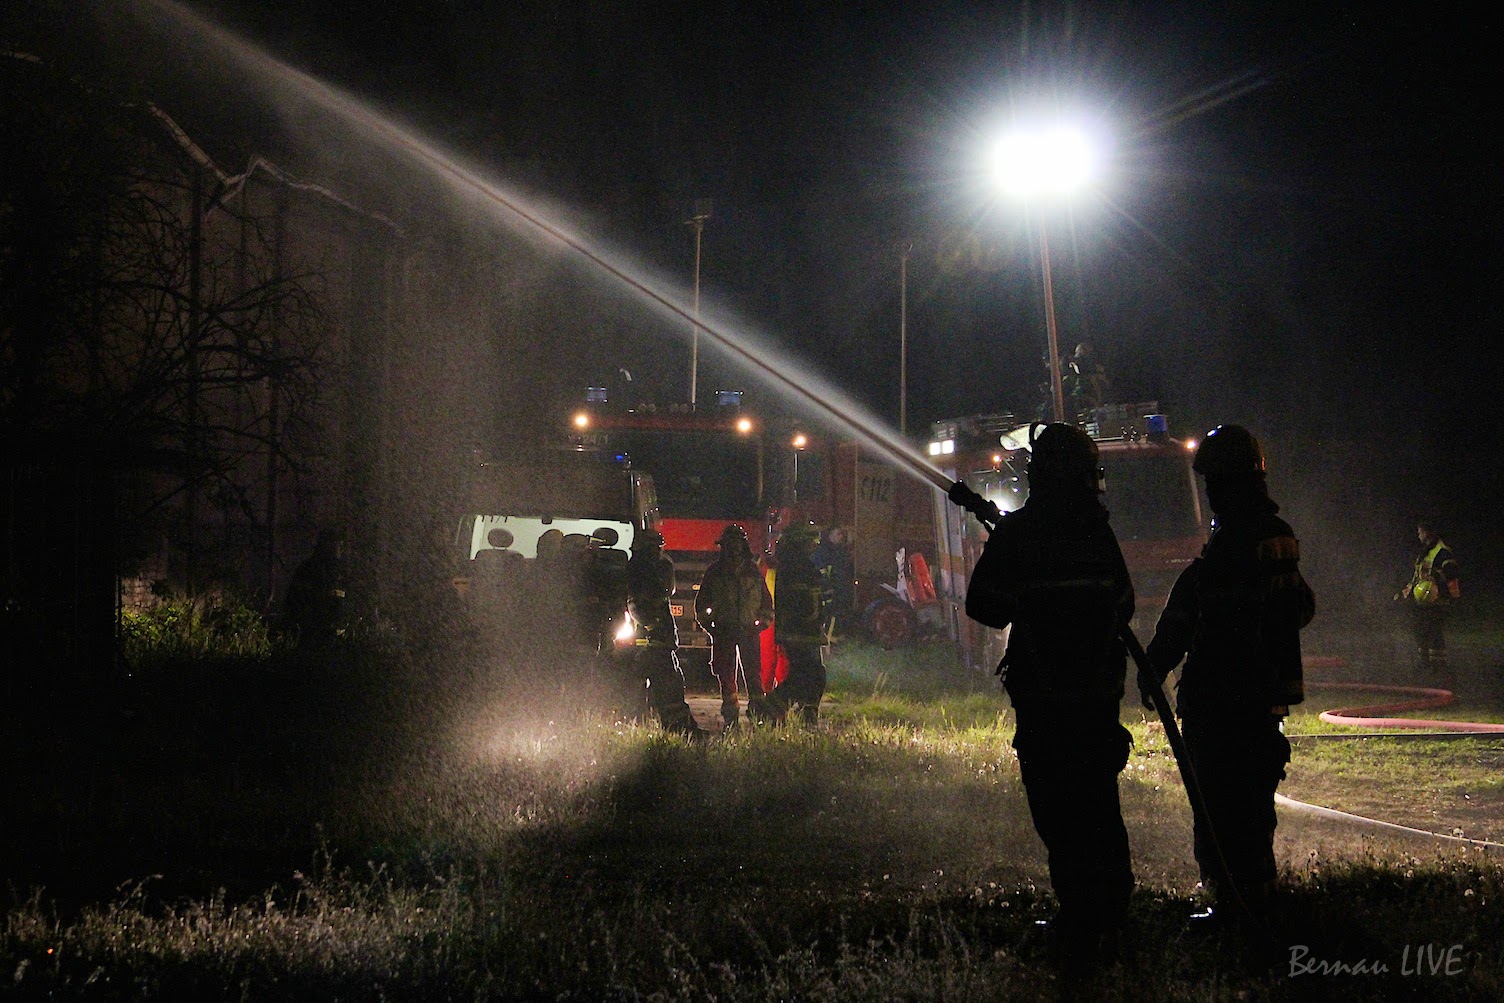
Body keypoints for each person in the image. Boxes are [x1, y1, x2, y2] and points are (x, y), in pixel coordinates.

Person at [963, 423, 1135, 967]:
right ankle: (1111, 916)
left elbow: (984, 607)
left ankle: (1081, 918)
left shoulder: (1022, 533)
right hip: (1098, 698)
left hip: (1045, 700)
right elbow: (1125, 604)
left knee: (1058, 810)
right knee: (1099, 803)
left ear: (1039, 473)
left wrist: (1008, 555)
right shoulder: (1098, 533)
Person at [1143, 424, 1315, 929]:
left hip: (1225, 700)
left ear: (1233, 482)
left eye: (1214, 483)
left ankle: (1235, 911)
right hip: (1256, 699)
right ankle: (1252, 902)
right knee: (1247, 807)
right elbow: (1300, 606)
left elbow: (1203, 611)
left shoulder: (1240, 542)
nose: (1210, 494)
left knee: (1223, 807)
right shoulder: (1269, 535)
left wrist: (1160, 662)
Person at [695, 524, 774, 731]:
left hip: (749, 630)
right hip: (724, 630)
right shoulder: (714, 572)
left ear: (743, 545)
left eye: (737, 544)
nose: (734, 548)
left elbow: (766, 601)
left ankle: (758, 714)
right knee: (726, 674)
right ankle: (731, 717)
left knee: (753, 674)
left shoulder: (753, 571)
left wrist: (761, 624)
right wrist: (711, 628)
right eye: (730, 544)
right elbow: (702, 604)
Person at [626, 529, 704, 738]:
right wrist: (655, 629)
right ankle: (678, 728)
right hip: (654, 638)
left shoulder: (644, 568)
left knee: (654, 686)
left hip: (654, 638)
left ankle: (673, 726)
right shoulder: (642, 572)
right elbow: (640, 601)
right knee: (666, 685)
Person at [765, 520, 832, 725]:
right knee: (808, 676)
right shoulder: (798, 566)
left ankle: (806, 716)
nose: (815, 546)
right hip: (800, 632)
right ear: (801, 543)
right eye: (812, 542)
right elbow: (804, 601)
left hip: (804, 631)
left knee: (810, 676)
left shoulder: (795, 564)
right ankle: (769, 708)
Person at [1396, 518, 1460, 673]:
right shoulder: (1425, 554)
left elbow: (1452, 574)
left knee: (1434, 632)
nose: (1418, 536)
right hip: (1422, 601)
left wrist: (1439, 581)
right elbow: (1417, 578)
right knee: (1421, 630)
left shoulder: (1442, 553)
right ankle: (1424, 663)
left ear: (1426, 533)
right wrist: (1404, 593)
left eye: (1420, 532)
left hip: (1437, 600)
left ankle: (1438, 665)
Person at [282, 527, 348, 647]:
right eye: (339, 545)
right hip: (315, 638)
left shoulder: (336, 571)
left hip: (328, 638)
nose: (341, 549)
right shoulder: (314, 570)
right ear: (329, 545)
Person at [810, 526, 855, 641]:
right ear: (830, 536)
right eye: (838, 534)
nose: (841, 537)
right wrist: (826, 585)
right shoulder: (822, 552)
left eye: (842, 535)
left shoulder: (840, 551)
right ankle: (828, 636)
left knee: (839, 611)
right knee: (828, 612)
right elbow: (819, 570)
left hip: (841, 588)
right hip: (828, 589)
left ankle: (835, 636)